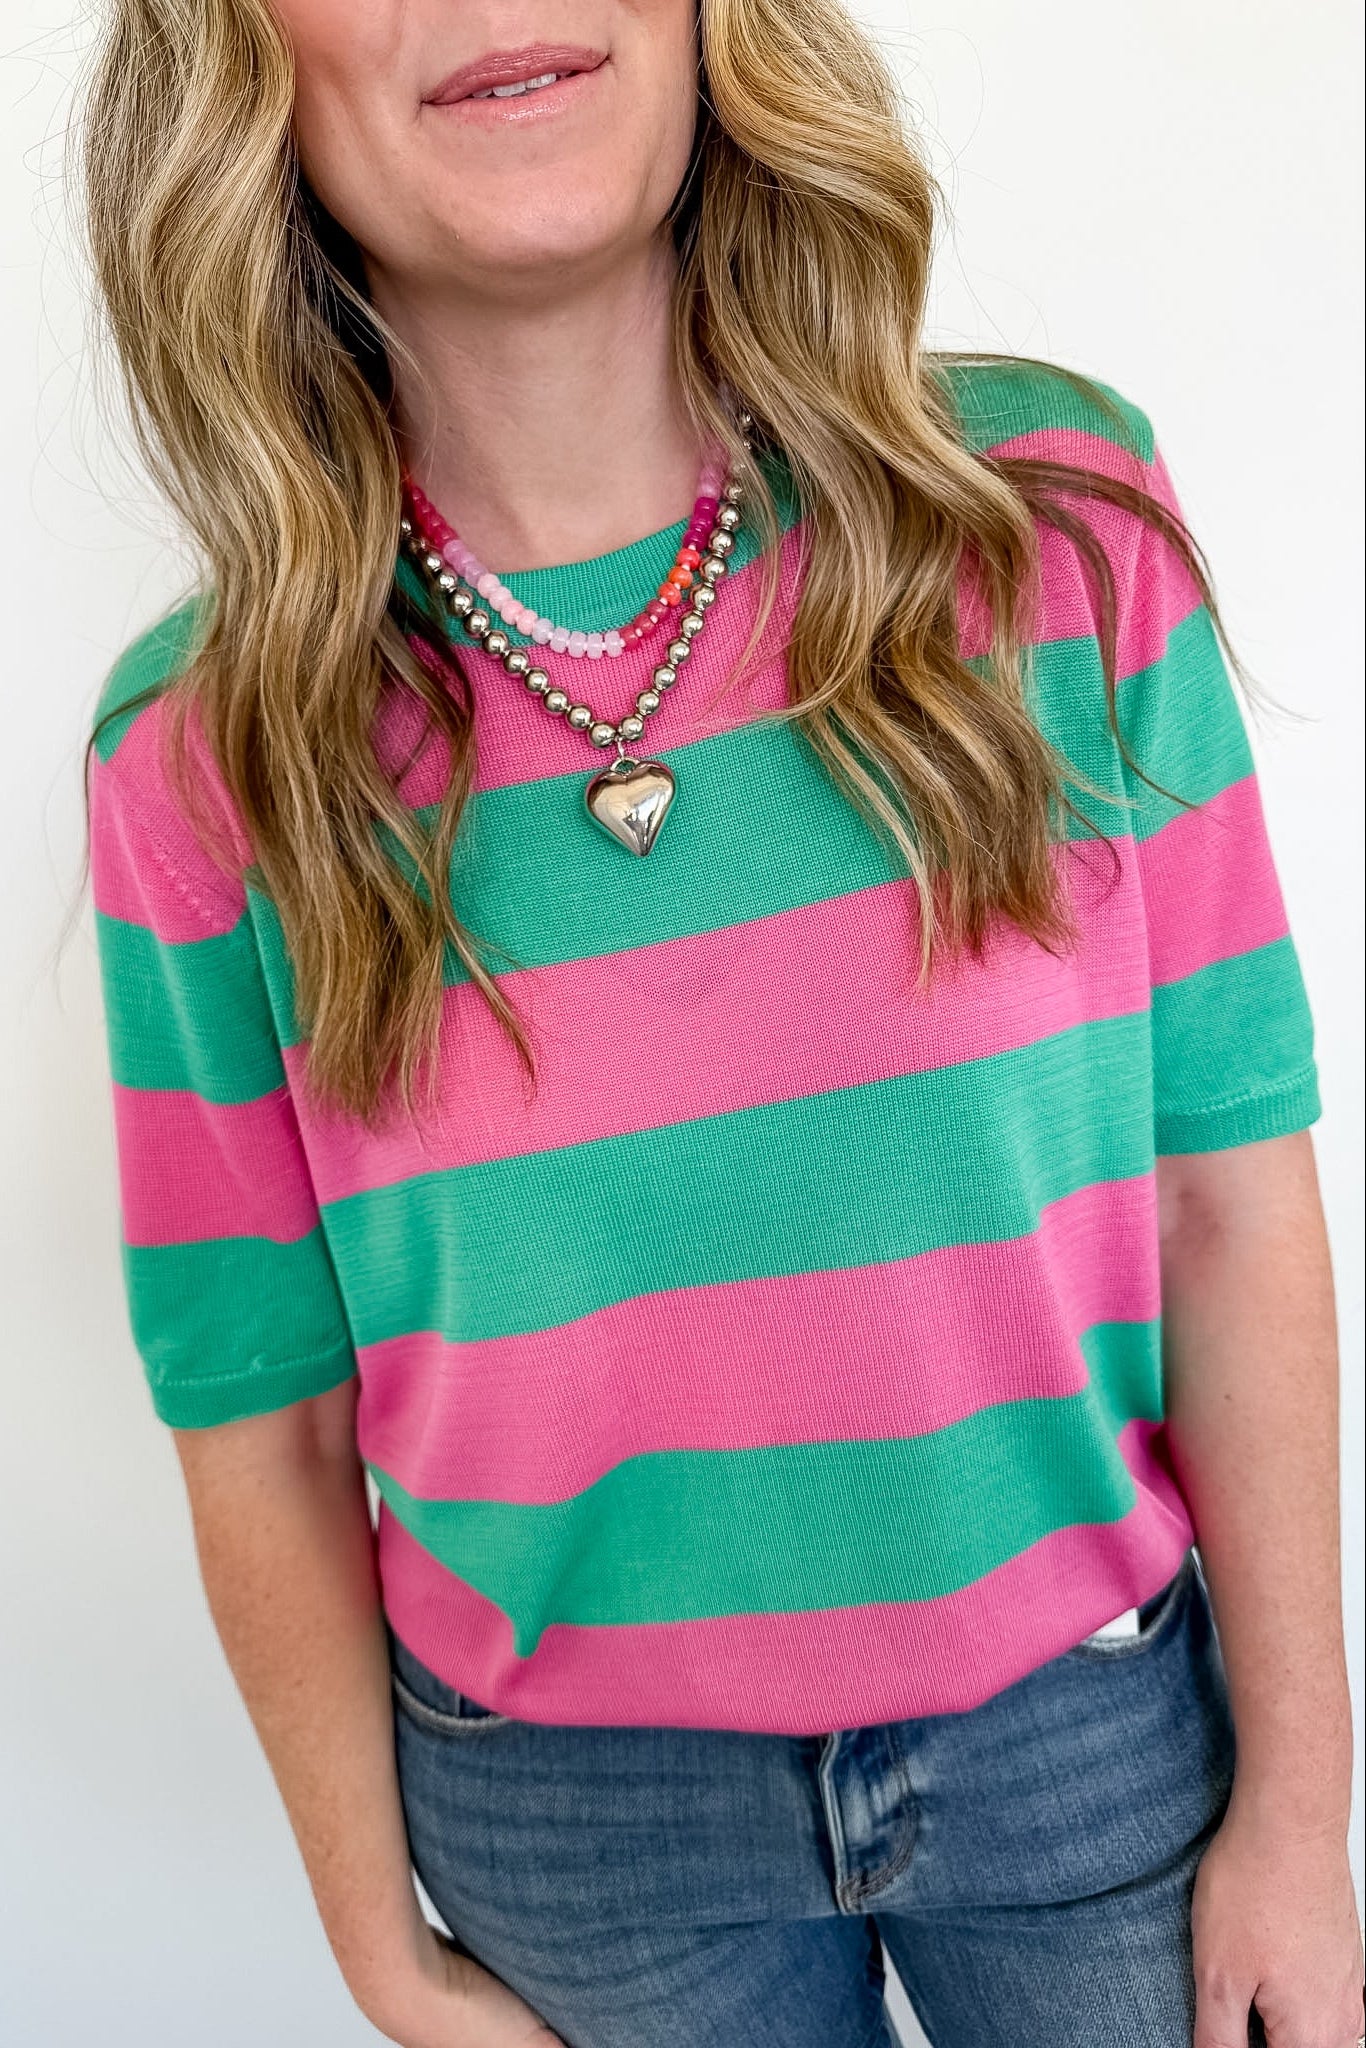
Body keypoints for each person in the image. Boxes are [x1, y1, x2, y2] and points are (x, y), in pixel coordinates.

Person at [81, 2, 1362, 2044]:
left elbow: (1229, 1197)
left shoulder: (1051, 527)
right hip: (579, 1824)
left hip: (1089, 1732)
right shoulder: (203, 762)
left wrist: (1300, 1812)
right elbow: (264, 1411)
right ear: (238, 73)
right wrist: (375, 1952)